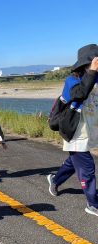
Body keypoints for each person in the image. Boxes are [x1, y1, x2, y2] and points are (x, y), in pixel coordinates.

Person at [46, 44, 98, 217]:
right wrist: (92, 72)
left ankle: (55, 179)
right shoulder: (72, 80)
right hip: (75, 131)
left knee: (74, 163)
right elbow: (80, 93)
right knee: (87, 167)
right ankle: (93, 204)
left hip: (90, 130)